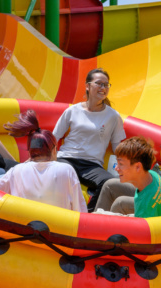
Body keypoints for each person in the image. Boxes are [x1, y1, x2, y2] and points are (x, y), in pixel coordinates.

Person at [52, 68, 126, 212]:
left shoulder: (113, 116)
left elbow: (118, 147)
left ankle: (89, 216)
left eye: (106, 85)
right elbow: (53, 137)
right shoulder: (72, 111)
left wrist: (127, 165)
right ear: (87, 86)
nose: (103, 88)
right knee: (63, 171)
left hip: (91, 165)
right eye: (99, 83)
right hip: (67, 158)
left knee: (109, 182)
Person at [0, 110, 87, 212]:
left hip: (22, 226)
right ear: (54, 150)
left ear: (29, 152)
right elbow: (80, 210)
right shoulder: (66, 170)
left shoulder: (16, 171)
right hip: (59, 227)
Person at [107, 136, 161, 218]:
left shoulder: (144, 208)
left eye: (121, 164)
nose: (116, 168)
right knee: (109, 185)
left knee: (118, 204)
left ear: (138, 167)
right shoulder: (152, 174)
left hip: (159, 226)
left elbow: (144, 228)